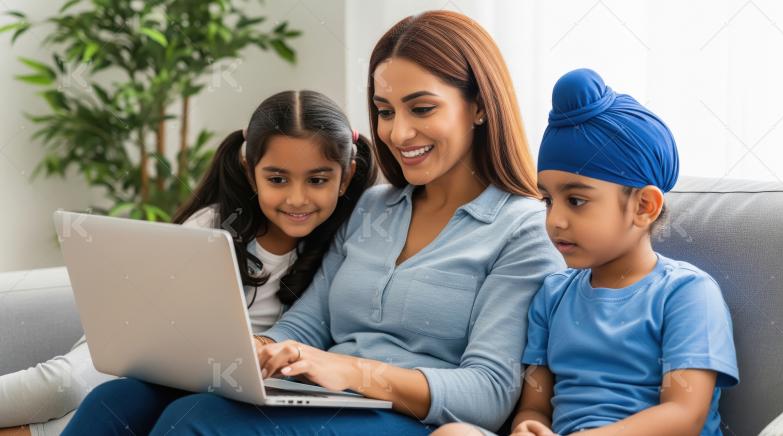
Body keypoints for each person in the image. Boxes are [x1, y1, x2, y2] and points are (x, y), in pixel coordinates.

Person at [62, 11, 564, 435]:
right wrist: (256, 350)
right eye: (385, 111)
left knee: (197, 421)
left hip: (406, 415)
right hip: (324, 393)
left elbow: (491, 391)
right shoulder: (373, 208)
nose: (396, 131)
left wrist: (350, 371)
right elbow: (308, 322)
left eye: (422, 108)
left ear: (478, 106)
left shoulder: (523, 229)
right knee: (119, 402)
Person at [0, 89, 375, 436]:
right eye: (277, 179)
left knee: (94, 416)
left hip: (214, 378)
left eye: (317, 180)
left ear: (345, 178)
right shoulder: (215, 225)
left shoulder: (343, 243)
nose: (297, 199)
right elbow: (153, 315)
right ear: (250, 172)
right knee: (64, 386)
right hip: (144, 345)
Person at [434, 68, 739, 436]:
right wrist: (529, 426)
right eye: (548, 199)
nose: (555, 220)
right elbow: (534, 406)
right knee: (455, 433)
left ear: (644, 206)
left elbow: (683, 415)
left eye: (576, 200)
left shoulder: (687, 293)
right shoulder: (553, 295)